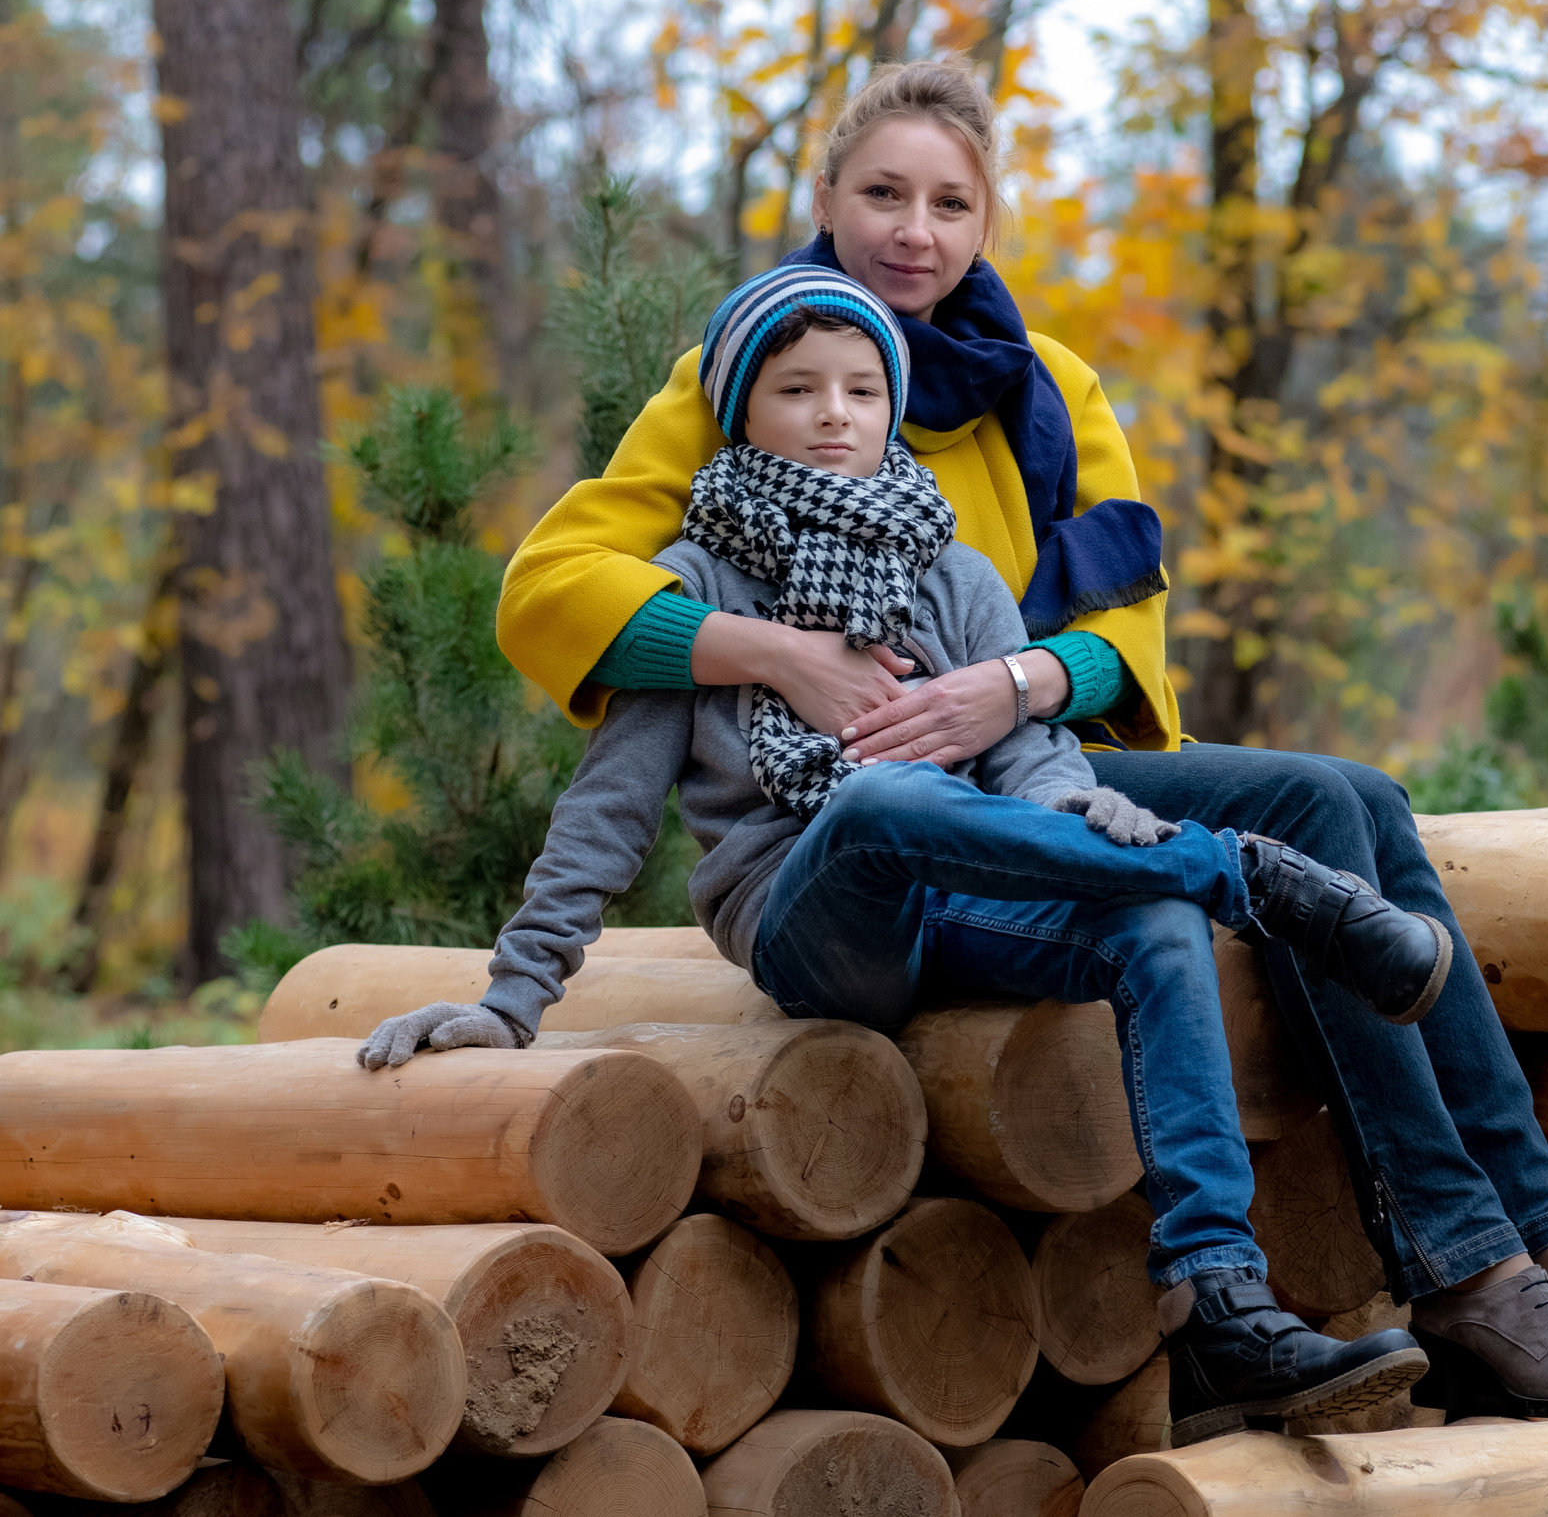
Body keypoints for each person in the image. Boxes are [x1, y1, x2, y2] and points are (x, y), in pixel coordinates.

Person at [493, 57, 1548, 1421]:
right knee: (1273, 833)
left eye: (951, 202)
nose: (916, 228)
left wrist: (1008, 681)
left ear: (985, 224)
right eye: (883, 193)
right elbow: (559, 590)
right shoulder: (757, 363)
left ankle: (1525, 1252)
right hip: (850, 809)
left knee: (1346, 793)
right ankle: (1469, 1258)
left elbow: (1128, 644)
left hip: (1028, 754)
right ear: (827, 200)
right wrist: (774, 653)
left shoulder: (1052, 391)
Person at [360, 267, 1460, 1445]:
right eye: (797, 389)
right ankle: (1254, 876)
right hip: (812, 920)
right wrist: (513, 997)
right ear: (740, 413)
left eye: (863, 388)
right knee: (880, 802)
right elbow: (606, 813)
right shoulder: (694, 587)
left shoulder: (955, 577)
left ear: (892, 409)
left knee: (1151, 916)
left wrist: (1087, 814)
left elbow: (1033, 766)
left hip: (967, 900)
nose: (835, 412)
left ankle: (1222, 1302)